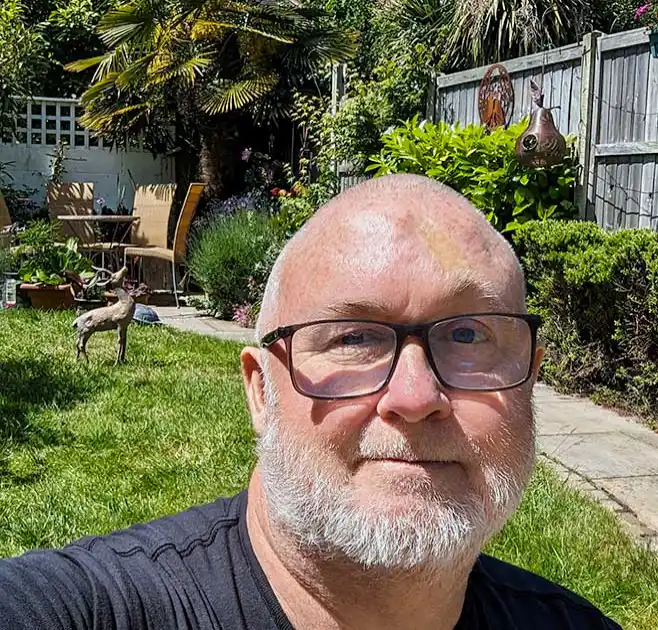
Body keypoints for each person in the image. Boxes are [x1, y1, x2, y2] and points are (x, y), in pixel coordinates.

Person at [0, 174, 622, 630]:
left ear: (529, 379)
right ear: (260, 392)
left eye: (467, 335)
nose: (414, 397)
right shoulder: (93, 609)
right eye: (352, 337)